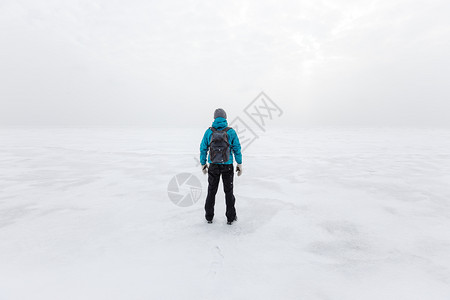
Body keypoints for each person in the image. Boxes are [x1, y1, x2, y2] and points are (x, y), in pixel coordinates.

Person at [200, 108, 242, 225]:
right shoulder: (231, 132)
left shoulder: (209, 132)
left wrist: (203, 163)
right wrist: (239, 163)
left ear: (214, 118)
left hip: (213, 166)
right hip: (227, 166)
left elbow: (203, 148)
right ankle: (230, 218)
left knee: (211, 192)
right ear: (225, 118)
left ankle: (209, 217)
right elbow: (237, 148)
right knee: (228, 192)